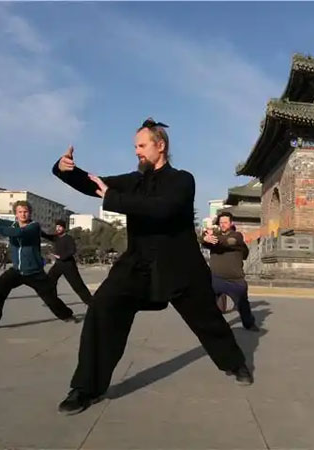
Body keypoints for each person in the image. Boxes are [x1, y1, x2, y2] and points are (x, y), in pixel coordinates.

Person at [52, 118, 252, 416]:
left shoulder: (182, 180)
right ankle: (86, 387)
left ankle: (235, 363)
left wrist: (113, 198)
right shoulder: (134, 181)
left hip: (181, 266)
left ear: (161, 146)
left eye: (142, 145)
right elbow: (95, 184)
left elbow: (162, 208)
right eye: (135, 147)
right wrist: (65, 170)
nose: (137, 151)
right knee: (103, 308)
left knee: (208, 321)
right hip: (137, 265)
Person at [0, 195, 78, 331]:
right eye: (20, 212)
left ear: (30, 213)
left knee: (50, 297)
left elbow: (19, 233)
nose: (23, 214)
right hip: (17, 271)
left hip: (35, 272)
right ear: (16, 214)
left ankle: (67, 315)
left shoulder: (34, 226)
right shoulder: (12, 224)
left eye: (25, 211)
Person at [201, 212, 258, 331]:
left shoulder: (237, 236)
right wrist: (204, 238)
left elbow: (229, 241)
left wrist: (211, 239)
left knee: (242, 304)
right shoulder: (213, 237)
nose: (223, 224)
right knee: (209, 303)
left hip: (235, 279)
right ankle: (211, 326)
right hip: (216, 277)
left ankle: (249, 324)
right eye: (221, 222)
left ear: (231, 223)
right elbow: (201, 240)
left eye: (225, 222)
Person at [42, 219, 92, 305]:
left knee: (78, 285)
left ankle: (91, 303)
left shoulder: (68, 238)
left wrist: (62, 256)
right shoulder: (56, 238)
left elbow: (72, 250)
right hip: (58, 265)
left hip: (68, 265)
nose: (58, 228)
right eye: (57, 227)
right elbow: (45, 235)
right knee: (49, 281)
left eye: (60, 227)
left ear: (64, 228)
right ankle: (53, 301)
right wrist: (34, 226)